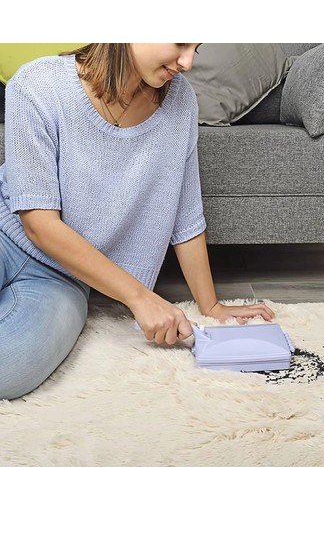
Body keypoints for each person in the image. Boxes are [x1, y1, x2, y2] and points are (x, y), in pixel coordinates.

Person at [0, 43, 275, 400]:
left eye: (196, 47)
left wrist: (210, 306)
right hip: (5, 235)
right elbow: (38, 223)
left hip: (63, 276)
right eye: (179, 42)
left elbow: (186, 212)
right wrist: (140, 298)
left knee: (11, 369)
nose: (188, 62)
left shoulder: (180, 101)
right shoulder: (37, 85)